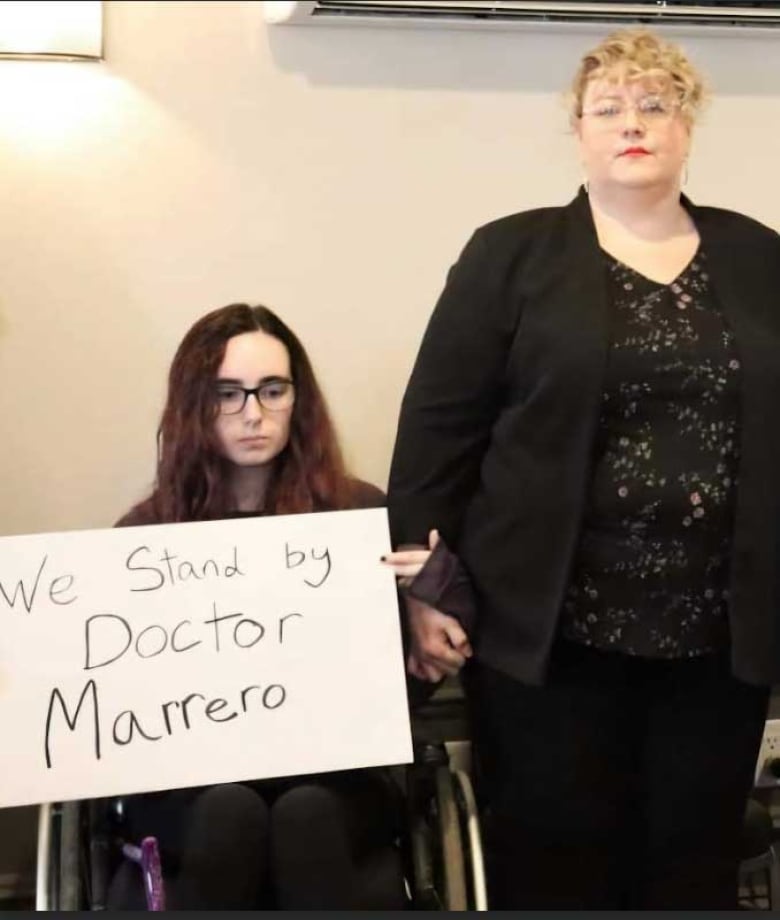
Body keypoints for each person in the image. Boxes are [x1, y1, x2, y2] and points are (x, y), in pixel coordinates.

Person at [387, 27, 780, 910]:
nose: (631, 123)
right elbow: (437, 435)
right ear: (578, 130)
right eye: (608, 108)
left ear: (689, 127)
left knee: (693, 863)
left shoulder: (761, 257)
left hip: (718, 638)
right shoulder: (509, 255)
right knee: (556, 859)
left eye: (655, 105)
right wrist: (419, 588)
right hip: (548, 631)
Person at [107, 303, 408, 910]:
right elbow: (123, 700)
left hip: (334, 775)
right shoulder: (145, 533)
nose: (254, 414)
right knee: (228, 809)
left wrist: (426, 600)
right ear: (195, 405)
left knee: (306, 813)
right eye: (228, 394)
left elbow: (405, 684)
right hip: (191, 780)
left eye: (273, 390)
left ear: (299, 400)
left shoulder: (354, 516)